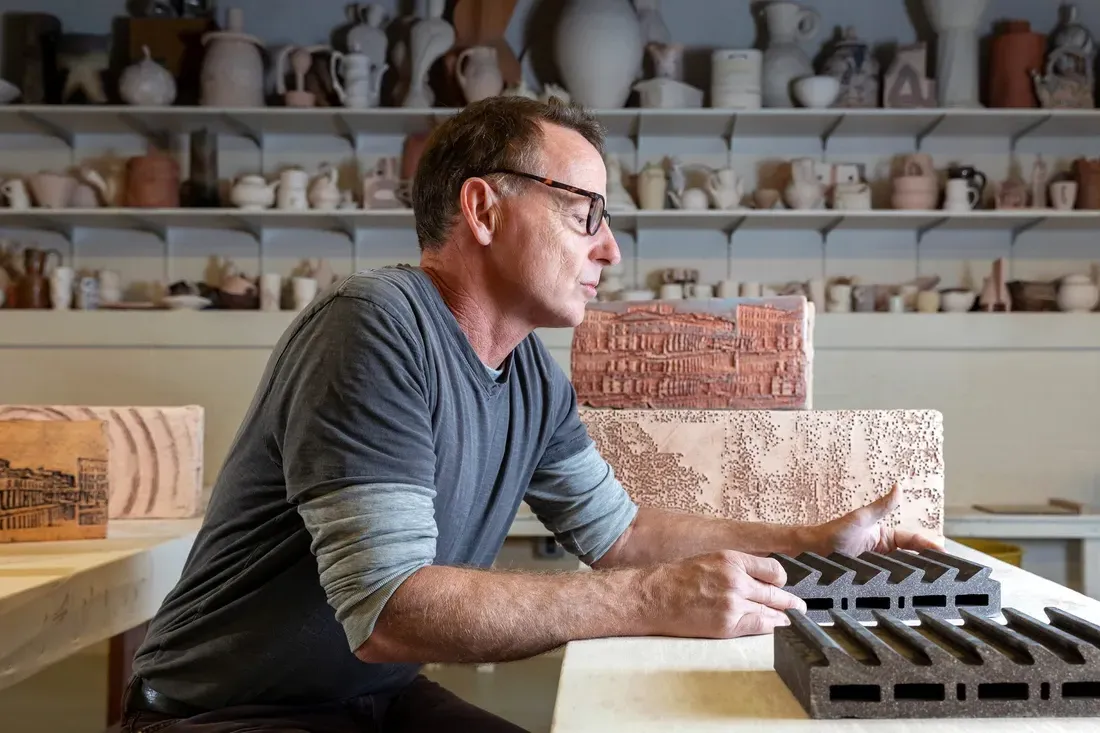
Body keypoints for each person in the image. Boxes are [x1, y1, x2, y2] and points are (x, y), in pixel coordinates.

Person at [121, 97, 941, 733]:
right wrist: (652, 600)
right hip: (224, 713)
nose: (610, 249)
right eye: (584, 211)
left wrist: (809, 541)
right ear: (482, 211)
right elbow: (391, 610)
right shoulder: (372, 324)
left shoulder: (532, 382)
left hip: (372, 703)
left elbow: (623, 536)